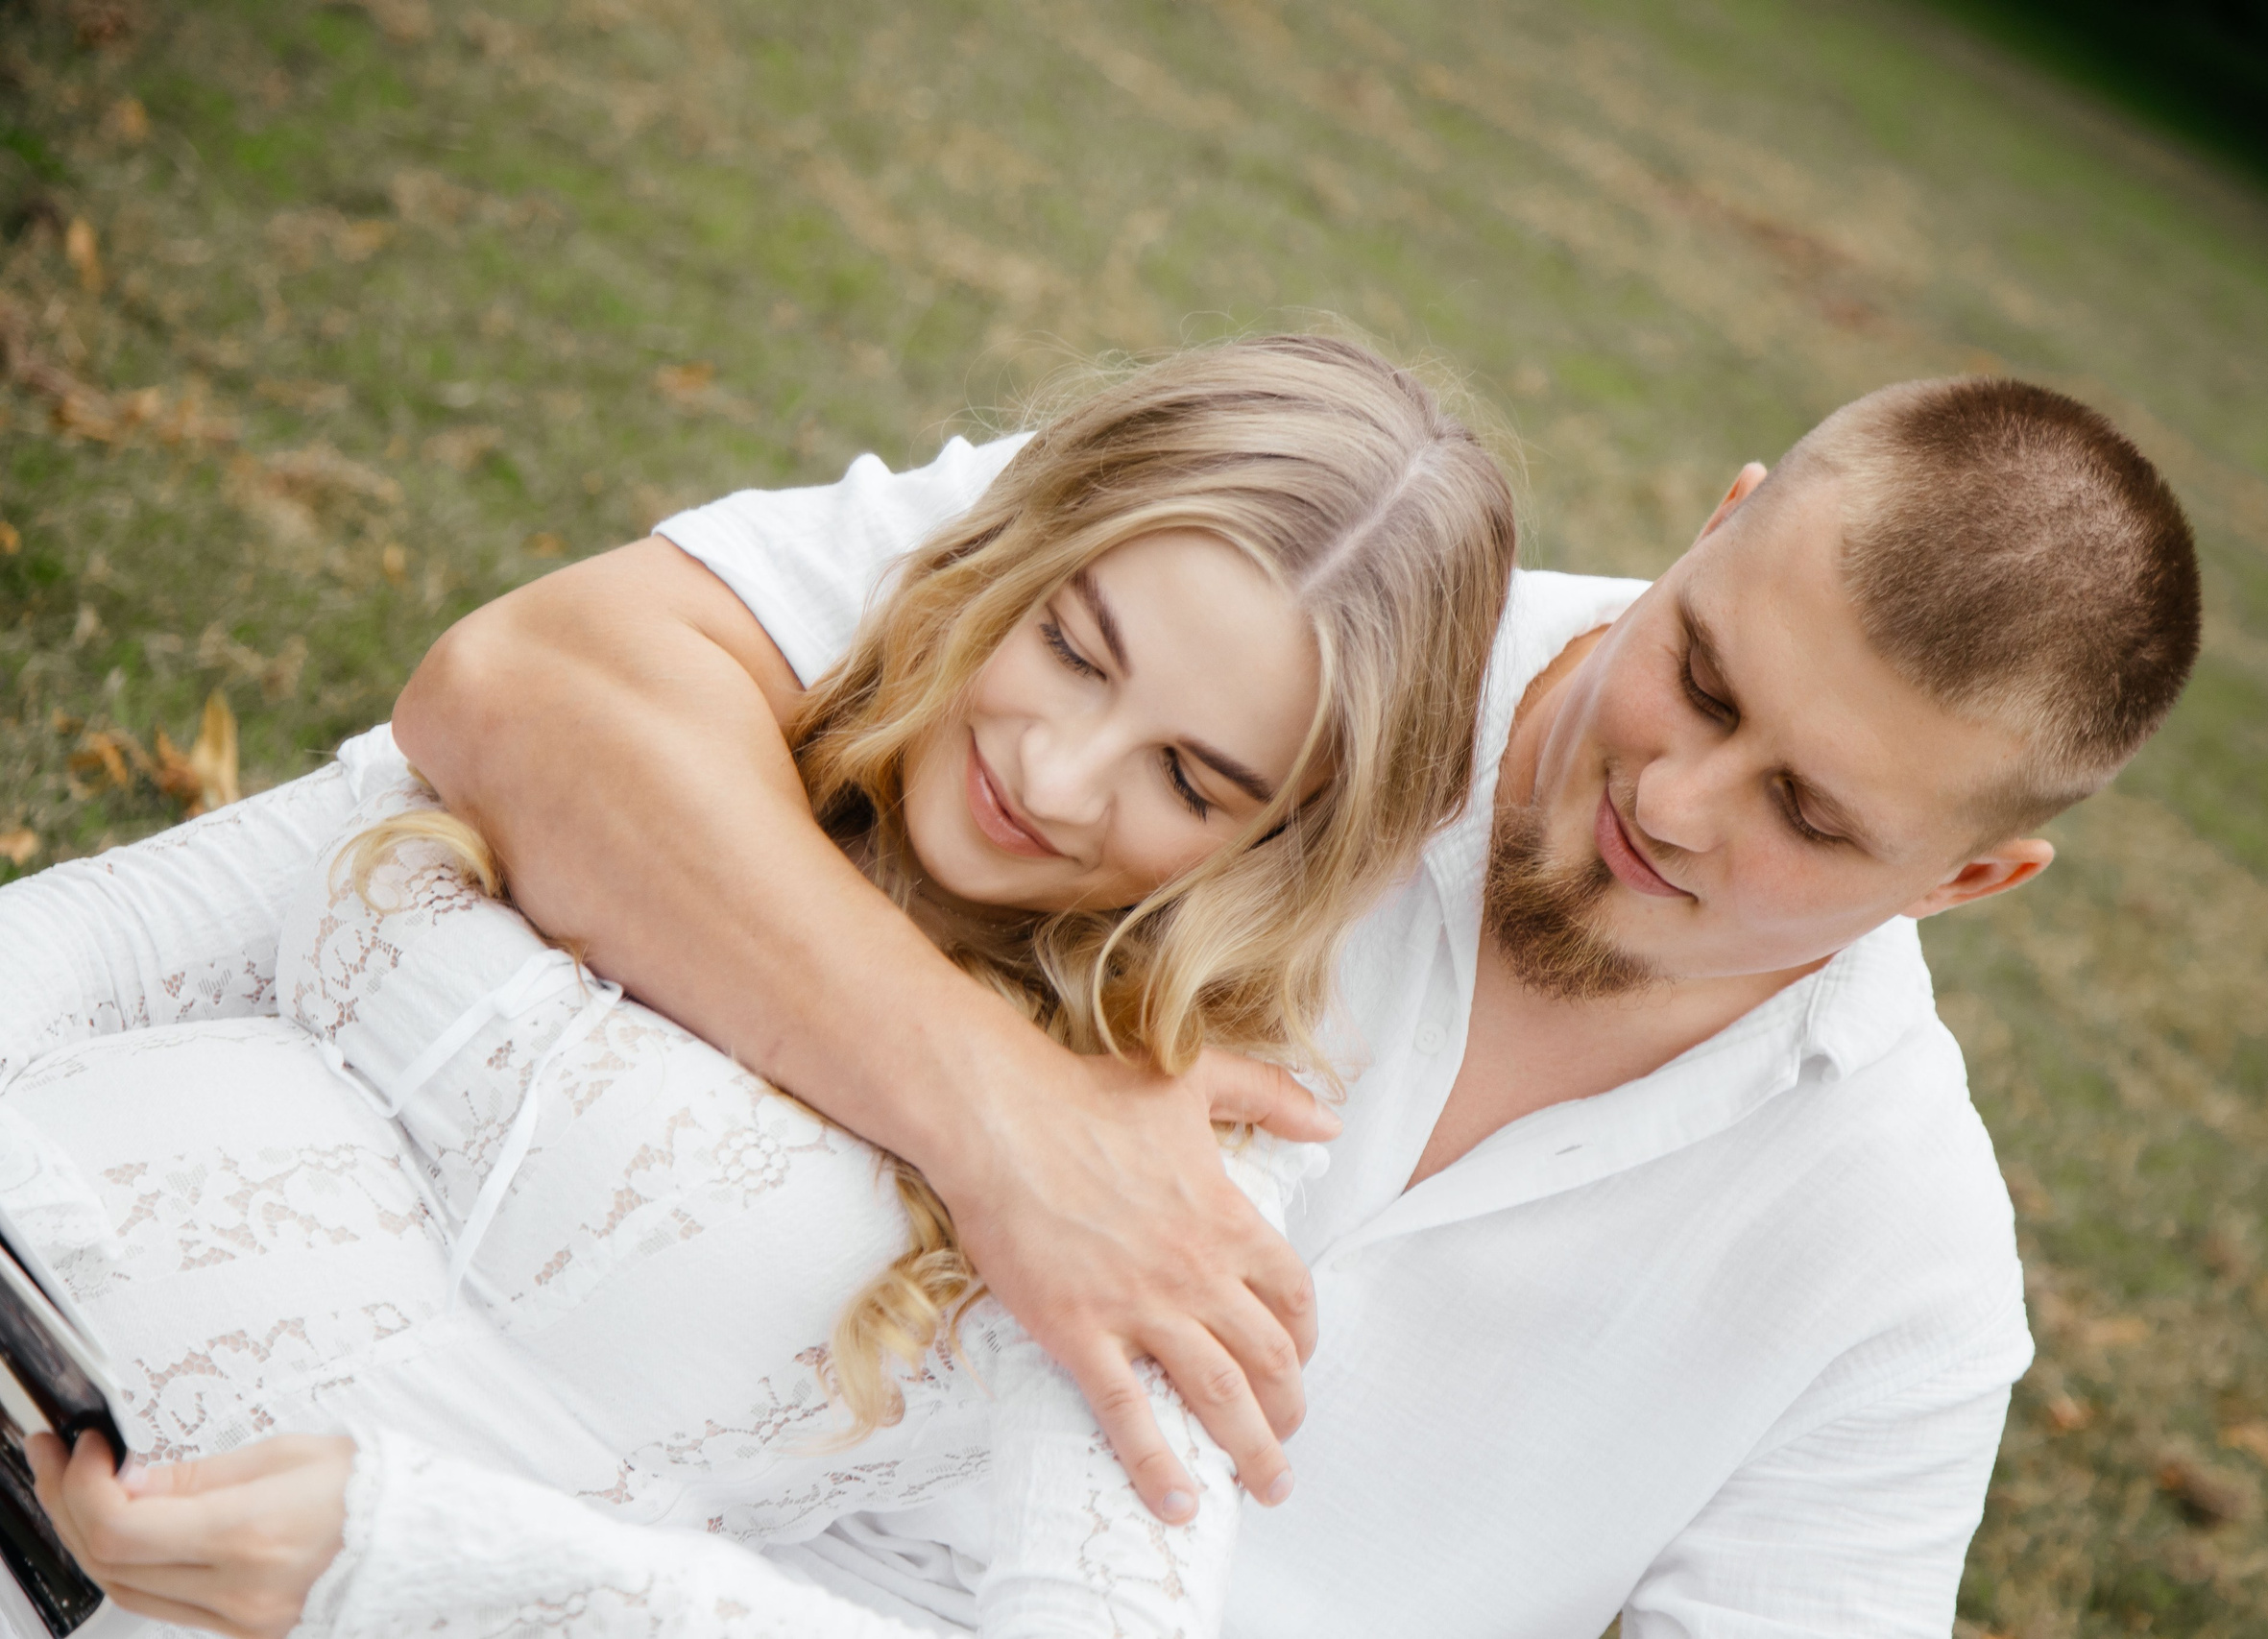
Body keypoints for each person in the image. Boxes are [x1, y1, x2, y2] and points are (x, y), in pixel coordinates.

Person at [34, 374, 2200, 1638]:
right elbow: (529, 696)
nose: (1669, 791)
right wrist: (1007, 1112)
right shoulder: (1290, 610)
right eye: (1699, 669)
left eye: (1805, 812)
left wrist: (425, 1562)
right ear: (1719, 524)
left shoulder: (1891, 1287)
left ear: (1975, 877)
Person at [0, 336, 1519, 1637]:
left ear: (1281, 843)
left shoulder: (1181, 1157)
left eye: (1189, 779)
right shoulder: (700, 726)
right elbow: (127, 933)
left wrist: (420, 1567)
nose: (1056, 777)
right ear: (1018, 550)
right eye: (1071, 646)